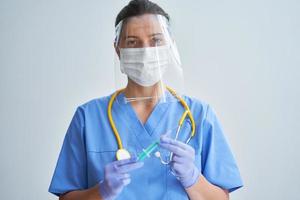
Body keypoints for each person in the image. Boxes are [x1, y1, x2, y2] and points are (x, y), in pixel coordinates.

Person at [48, 0, 243, 199]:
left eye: (156, 40)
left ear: (169, 46)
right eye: (133, 42)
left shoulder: (199, 115)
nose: (145, 51)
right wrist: (102, 191)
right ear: (118, 50)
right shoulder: (88, 118)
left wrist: (193, 178)